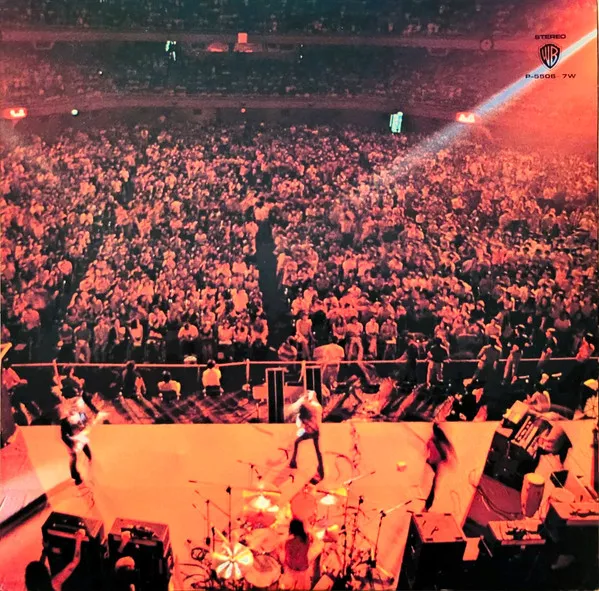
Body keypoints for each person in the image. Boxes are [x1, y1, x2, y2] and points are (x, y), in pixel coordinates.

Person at [289, 390, 324, 484]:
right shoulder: (315, 406)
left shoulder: (314, 407)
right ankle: (320, 469)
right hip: (314, 430)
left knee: (300, 442)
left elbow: (309, 420)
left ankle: (294, 461)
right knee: (317, 450)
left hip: (314, 430)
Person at [423, 422, 455, 512]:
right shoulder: (436, 436)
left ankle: (427, 507)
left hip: (435, 461)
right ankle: (427, 506)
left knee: (433, 483)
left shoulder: (436, 436)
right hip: (435, 461)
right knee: (433, 483)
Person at [60, 399, 93, 486]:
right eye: (71, 408)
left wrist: (84, 426)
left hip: (80, 436)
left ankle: (89, 456)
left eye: (75, 408)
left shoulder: (81, 415)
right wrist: (70, 445)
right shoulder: (65, 422)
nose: (73, 409)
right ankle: (76, 476)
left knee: (84, 445)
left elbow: (86, 423)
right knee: (73, 457)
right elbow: (63, 436)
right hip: (72, 440)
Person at [279, 519, 313, 590]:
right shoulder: (306, 539)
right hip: (303, 568)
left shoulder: (290, 542)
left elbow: (288, 557)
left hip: (292, 570)